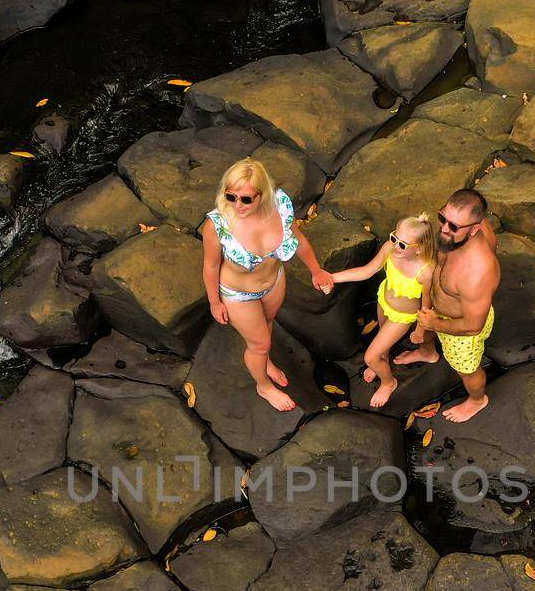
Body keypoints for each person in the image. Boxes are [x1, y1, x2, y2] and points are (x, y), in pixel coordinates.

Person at [201, 158, 334, 412]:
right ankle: (263, 385)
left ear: (262, 195)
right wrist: (214, 301)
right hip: (239, 294)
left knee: (267, 325)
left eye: (246, 199)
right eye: (231, 197)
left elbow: (299, 239)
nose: (237, 205)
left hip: (273, 282)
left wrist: (316, 270)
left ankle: (265, 360)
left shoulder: (281, 205)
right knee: (259, 343)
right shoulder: (217, 225)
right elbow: (210, 267)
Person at [396, 188, 499, 422]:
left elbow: (473, 326)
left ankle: (476, 400)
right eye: (443, 218)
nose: (444, 229)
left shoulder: (478, 272)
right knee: (425, 326)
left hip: (461, 330)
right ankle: (427, 352)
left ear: (475, 228)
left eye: (454, 226)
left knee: (467, 370)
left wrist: (435, 323)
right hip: (438, 311)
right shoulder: (456, 235)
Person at [328, 213, 435, 408]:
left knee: (370, 356)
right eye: (394, 238)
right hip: (383, 301)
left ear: (419, 249)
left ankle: (388, 382)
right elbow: (366, 271)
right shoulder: (389, 249)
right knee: (381, 341)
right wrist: (332, 278)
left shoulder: (425, 272)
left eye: (402, 244)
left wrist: (420, 329)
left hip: (402, 317)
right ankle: (381, 363)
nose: (395, 246)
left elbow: (426, 305)